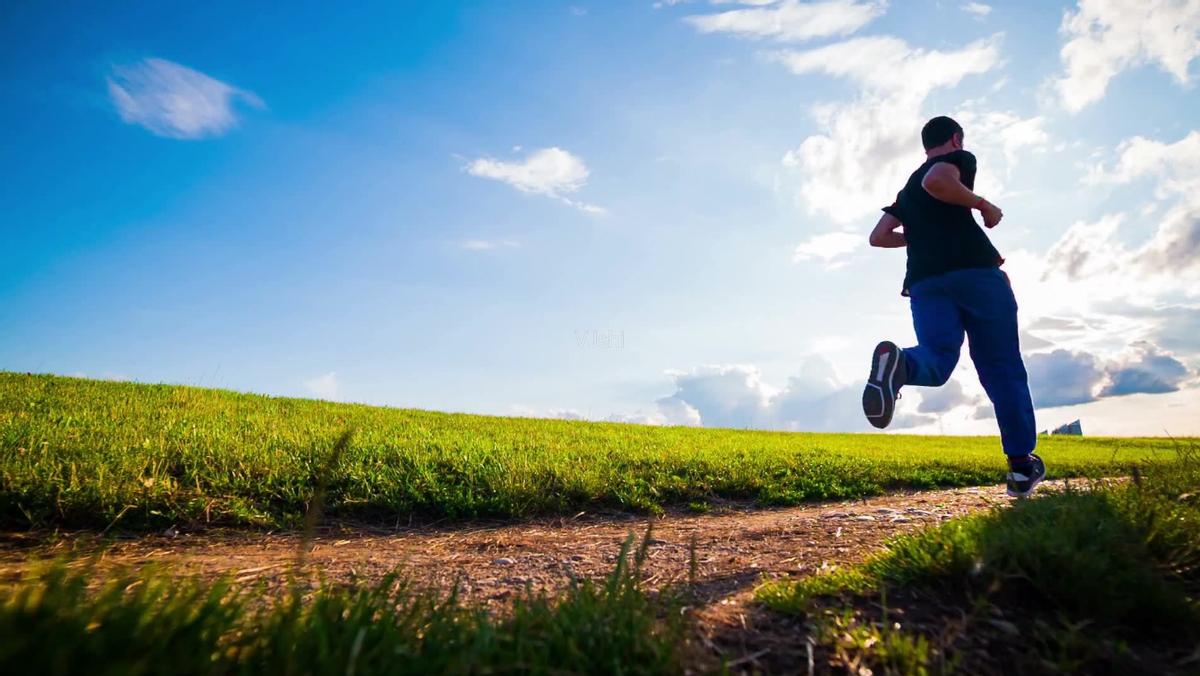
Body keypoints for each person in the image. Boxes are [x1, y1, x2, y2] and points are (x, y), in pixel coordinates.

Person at [863, 116, 1045, 498]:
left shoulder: (906, 191)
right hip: (975, 275)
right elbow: (938, 181)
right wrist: (983, 204)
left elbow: (879, 237)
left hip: (926, 283)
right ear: (955, 139)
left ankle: (901, 364)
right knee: (1002, 368)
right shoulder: (956, 161)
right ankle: (1022, 466)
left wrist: (916, 236)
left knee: (937, 358)